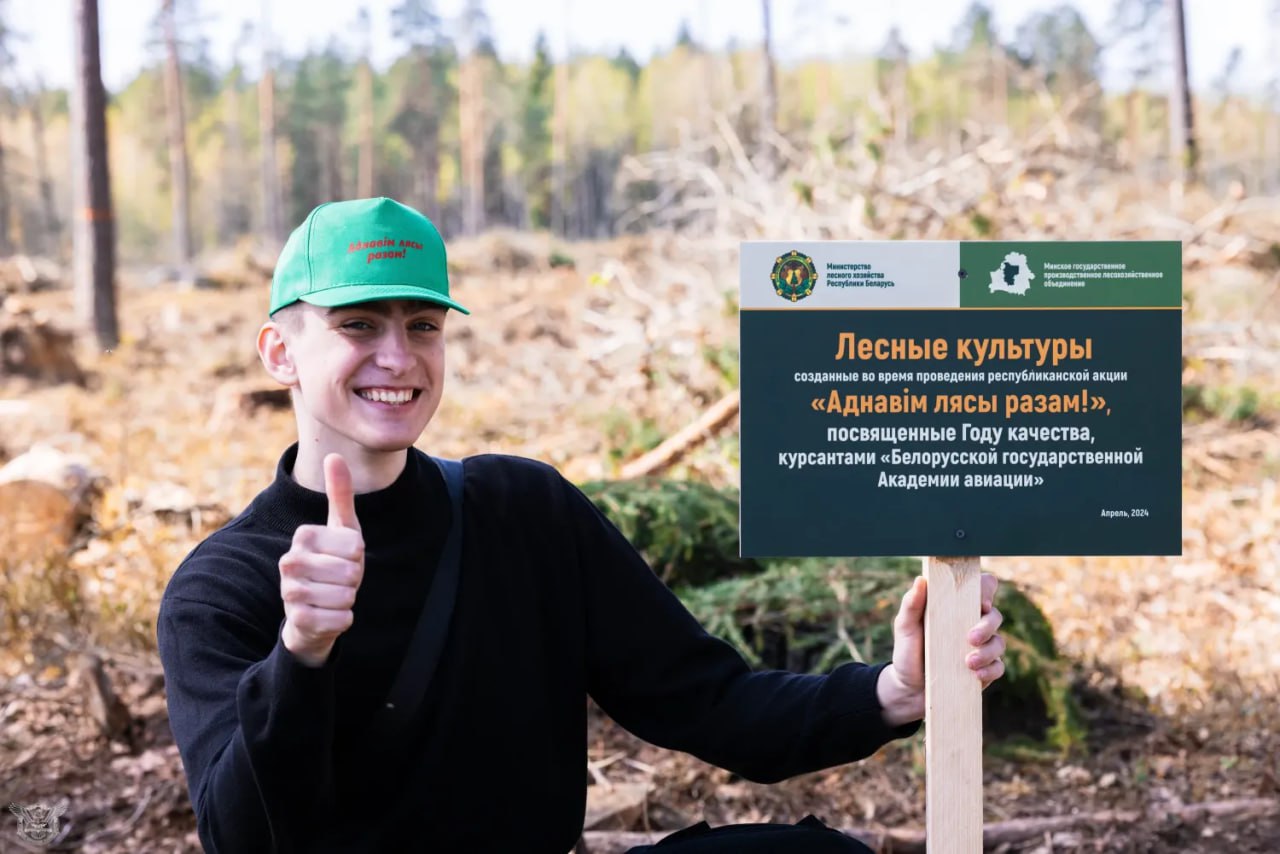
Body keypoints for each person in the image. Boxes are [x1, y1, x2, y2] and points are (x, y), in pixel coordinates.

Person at [157, 197, 1006, 853]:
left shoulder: (521, 512)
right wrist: (300, 652)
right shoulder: (222, 587)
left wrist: (896, 691)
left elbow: (707, 702)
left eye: (422, 326)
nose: (397, 356)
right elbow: (241, 836)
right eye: (356, 325)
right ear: (279, 353)